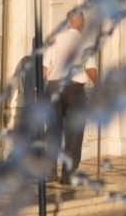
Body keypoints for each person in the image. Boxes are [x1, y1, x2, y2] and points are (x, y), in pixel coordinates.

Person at [41, 10, 97, 182]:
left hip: (53, 88)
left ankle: (50, 172)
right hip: (74, 89)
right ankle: (68, 174)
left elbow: (44, 68)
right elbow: (90, 68)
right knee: (74, 133)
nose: (84, 22)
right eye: (83, 20)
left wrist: (39, 90)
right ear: (77, 21)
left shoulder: (55, 39)